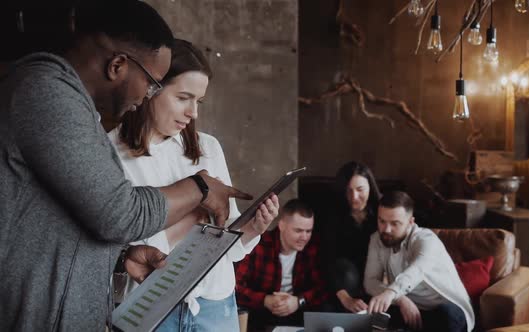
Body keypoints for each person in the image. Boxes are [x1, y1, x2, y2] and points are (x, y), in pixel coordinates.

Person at [0, 2, 250, 331]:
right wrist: (201, 187)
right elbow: (118, 212)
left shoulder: (73, 105)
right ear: (118, 65)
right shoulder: (44, 91)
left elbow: (66, 218)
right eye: (153, 83)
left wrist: (120, 256)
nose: (149, 95)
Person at [108, 39, 280, 331]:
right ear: (151, 88)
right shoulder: (110, 149)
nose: (193, 113)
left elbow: (227, 241)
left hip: (215, 304)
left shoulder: (208, 148)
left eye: (198, 101)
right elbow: (119, 244)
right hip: (149, 308)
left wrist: (253, 228)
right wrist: (187, 218)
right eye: (183, 97)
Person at [365, 191, 474, 332]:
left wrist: (391, 293)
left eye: (395, 223)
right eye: (382, 221)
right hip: (410, 308)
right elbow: (370, 282)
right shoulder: (376, 239)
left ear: (411, 222)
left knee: (447, 314)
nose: (386, 229)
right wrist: (401, 299)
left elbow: (416, 271)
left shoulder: (426, 240)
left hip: (445, 309)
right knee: (371, 309)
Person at [235, 199, 327, 329]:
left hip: (297, 311)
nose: (304, 237)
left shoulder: (312, 248)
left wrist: (298, 301)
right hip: (260, 313)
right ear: (282, 225)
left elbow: (322, 288)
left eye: (308, 231)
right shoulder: (259, 244)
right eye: (298, 231)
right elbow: (236, 288)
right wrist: (265, 300)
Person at [320, 161, 381, 313]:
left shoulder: (382, 211)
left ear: (370, 188)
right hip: (341, 280)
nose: (354, 197)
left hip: (375, 277)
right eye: (348, 190)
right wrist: (344, 297)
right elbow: (327, 257)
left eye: (360, 190)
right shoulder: (333, 215)